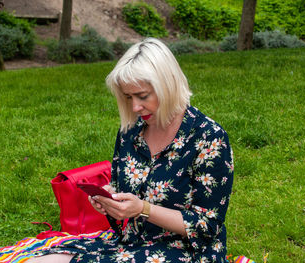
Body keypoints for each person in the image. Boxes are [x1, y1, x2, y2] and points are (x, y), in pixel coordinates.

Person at [28, 37, 234, 263]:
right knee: (41, 261)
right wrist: (108, 199)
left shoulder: (209, 138)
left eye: (143, 96)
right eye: (128, 97)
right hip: (132, 241)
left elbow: (207, 226)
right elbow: (120, 186)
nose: (135, 107)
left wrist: (144, 209)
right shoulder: (131, 131)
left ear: (168, 85)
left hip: (187, 251)